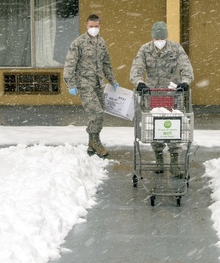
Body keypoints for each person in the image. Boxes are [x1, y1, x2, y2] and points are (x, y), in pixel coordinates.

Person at [129, 21, 193, 177]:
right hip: (152, 95)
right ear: (152, 37)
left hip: (172, 94)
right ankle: (158, 159)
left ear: (166, 36)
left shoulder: (176, 49)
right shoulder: (144, 50)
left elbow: (186, 66)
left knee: (173, 127)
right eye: (156, 39)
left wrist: (185, 82)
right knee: (154, 127)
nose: (159, 41)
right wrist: (140, 83)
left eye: (161, 38)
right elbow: (135, 69)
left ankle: (174, 163)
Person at [63, 14, 119, 158]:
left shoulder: (102, 43)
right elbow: (70, 64)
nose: (94, 29)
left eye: (96, 26)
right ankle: (96, 142)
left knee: (96, 115)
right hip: (85, 84)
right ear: (86, 26)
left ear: (100, 26)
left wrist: (113, 80)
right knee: (97, 113)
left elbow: (106, 63)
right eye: (91, 26)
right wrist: (71, 83)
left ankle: (91, 144)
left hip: (98, 84)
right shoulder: (78, 43)